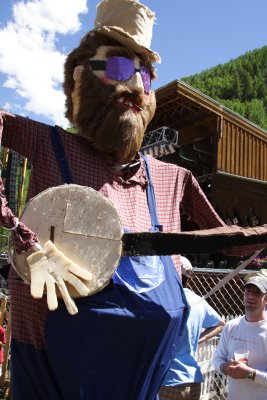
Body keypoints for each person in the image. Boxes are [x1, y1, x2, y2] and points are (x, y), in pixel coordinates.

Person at [0, 0, 265, 399]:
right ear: (79, 77)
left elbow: (232, 242)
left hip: (143, 376)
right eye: (122, 68)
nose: (138, 87)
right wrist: (14, 227)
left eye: (147, 74)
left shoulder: (173, 177)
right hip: (49, 365)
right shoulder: (49, 143)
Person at [159, 256, 225, 400]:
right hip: (193, 379)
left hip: (170, 380)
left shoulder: (164, 301)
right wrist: (197, 340)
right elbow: (220, 324)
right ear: (188, 279)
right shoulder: (198, 301)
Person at [213, 271, 267, 400]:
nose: (251, 296)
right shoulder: (231, 326)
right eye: (248, 291)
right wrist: (224, 367)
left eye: (257, 293)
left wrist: (249, 373)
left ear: (266, 299)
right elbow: (217, 358)